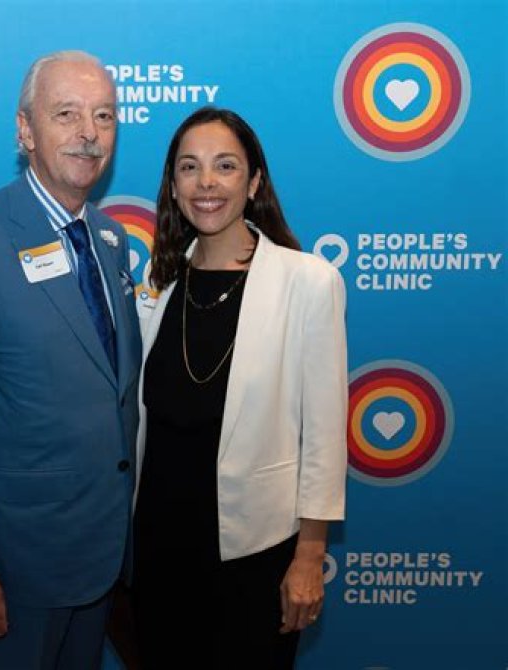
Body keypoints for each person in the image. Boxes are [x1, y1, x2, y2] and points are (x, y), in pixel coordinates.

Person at [0, 50, 141, 670]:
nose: (89, 133)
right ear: (25, 130)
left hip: (99, 560)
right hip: (13, 573)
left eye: (104, 116)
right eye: (66, 114)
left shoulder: (110, 240)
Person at [132, 107, 347, 669]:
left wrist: (310, 556)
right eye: (190, 167)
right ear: (172, 186)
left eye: (225, 166)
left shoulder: (308, 282)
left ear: (253, 183)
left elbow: (324, 436)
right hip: (156, 549)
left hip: (256, 554)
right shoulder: (156, 284)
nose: (206, 182)